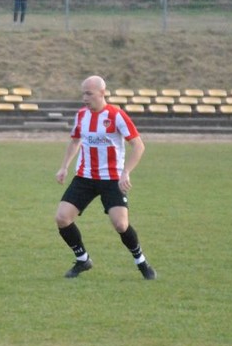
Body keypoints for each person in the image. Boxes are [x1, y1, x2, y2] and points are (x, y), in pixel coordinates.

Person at [54, 75, 156, 280]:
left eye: (89, 93)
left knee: (121, 225)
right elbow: (75, 142)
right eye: (83, 93)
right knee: (62, 218)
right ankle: (83, 259)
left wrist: (126, 172)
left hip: (111, 179)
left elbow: (138, 145)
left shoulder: (117, 115)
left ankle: (141, 262)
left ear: (102, 93)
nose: (84, 97)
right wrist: (64, 166)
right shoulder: (81, 115)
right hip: (84, 177)